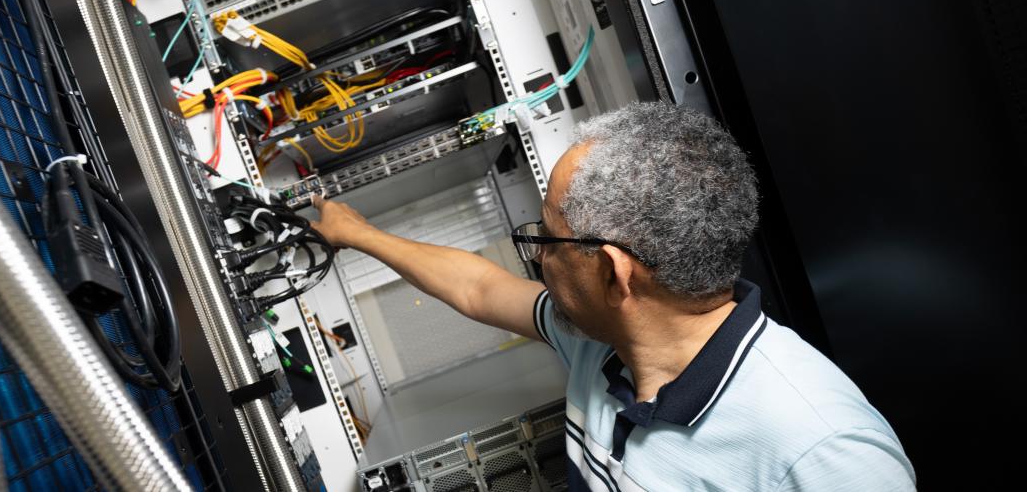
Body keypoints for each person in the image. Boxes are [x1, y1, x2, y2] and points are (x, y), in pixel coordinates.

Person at [311, 102, 915, 491]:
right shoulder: (599, 342)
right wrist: (356, 233)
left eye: (548, 238)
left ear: (613, 274)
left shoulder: (822, 451)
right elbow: (477, 286)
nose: (539, 258)